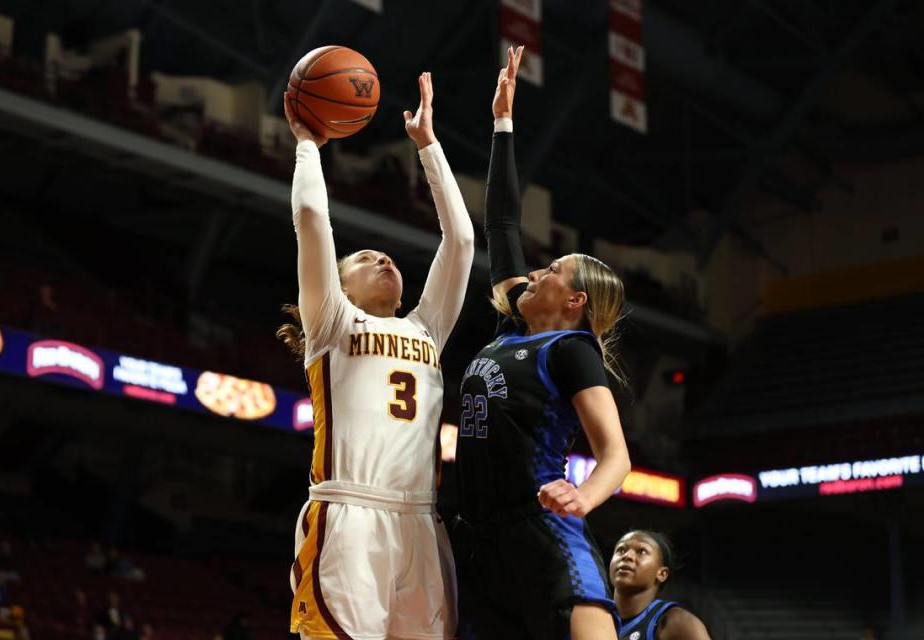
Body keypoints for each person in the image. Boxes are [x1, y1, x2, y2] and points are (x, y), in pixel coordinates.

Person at [280, 71, 474, 640]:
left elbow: (460, 242)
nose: (383, 260)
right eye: (365, 257)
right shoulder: (332, 322)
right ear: (338, 284)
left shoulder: (427, 327)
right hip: (349, 514)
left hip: (420, 519)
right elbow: (313, 220)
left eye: (389, 257)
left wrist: (429, 147)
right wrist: (308, 146)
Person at [453, 46, 632, 640]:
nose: (534, 274)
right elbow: (502, 224)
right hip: (479, 541)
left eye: (551, 271)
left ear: (574, 301)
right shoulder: (511, 327)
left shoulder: (569, 351)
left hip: (540, 531)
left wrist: (582, 497)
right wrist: (503, 123)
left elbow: (616, 456)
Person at [609, 531, 710, 640]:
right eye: (621, 550)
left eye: (641, 551)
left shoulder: (677, 622)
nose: (627, 556)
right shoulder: (595, 616)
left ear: (662, 574)